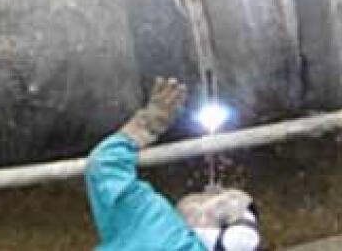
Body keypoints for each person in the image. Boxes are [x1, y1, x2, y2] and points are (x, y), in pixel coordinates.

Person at [85, 78, 261, 251]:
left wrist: (145, 126)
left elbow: (105, 165)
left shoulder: (157, 232)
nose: (213, 191)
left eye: (218, 200)